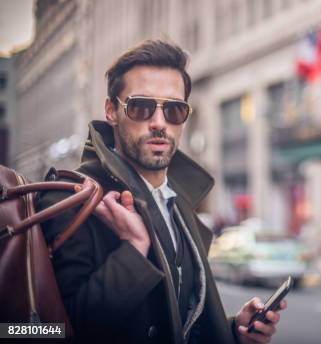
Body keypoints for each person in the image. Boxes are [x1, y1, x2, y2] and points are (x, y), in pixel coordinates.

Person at [37, 40, 285, 344]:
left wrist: (233, 332)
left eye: (174, 109)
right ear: (111, 111)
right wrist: (133, 249)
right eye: (141, 107)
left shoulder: (179, 205)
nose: (159, 123)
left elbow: (179, 321)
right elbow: (51, 332)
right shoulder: (69, 202)